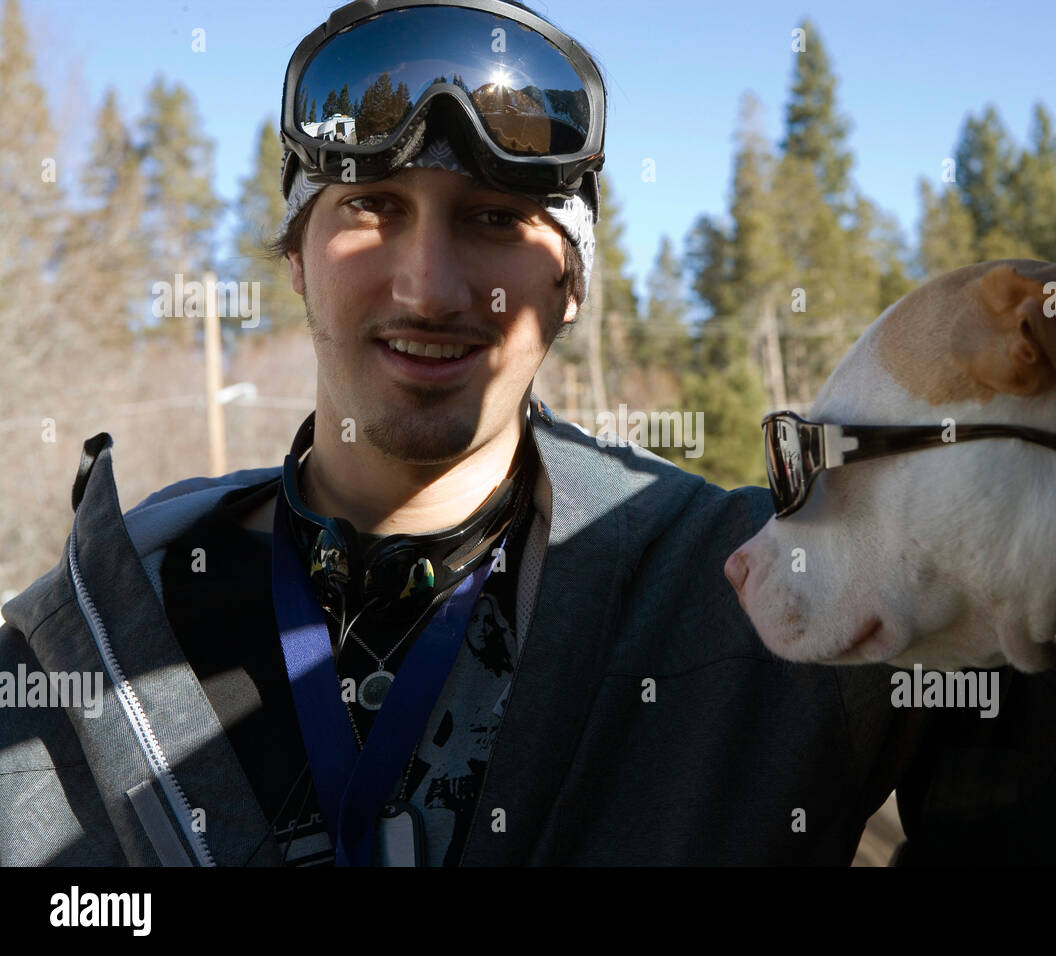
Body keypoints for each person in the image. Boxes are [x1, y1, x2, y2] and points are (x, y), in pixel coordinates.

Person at [0, 0, 927, 867]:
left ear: (570, 283)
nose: (432, 290)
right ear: (295, 255)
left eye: (494, 219)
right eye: (374, 208)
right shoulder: (89, 642)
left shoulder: (749, 586)